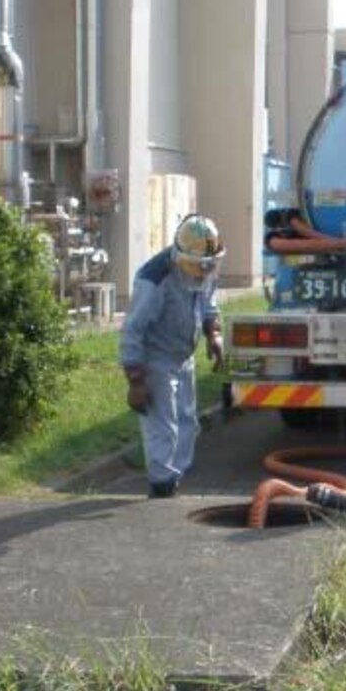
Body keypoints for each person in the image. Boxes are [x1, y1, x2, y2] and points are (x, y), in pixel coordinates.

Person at [119, 213, 226, 498]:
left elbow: (208, 302)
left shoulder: (206, 268)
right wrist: (136, 381)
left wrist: (213, 334)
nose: (203, 273)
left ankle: (175, 477)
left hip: (183, 355)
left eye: (208, 266)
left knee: (188, 421)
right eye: (198, 267)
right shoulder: (154, 279)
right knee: (162, 425)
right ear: (182, 255)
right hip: (156, 358)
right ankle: (161, 483)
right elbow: (133, 331)